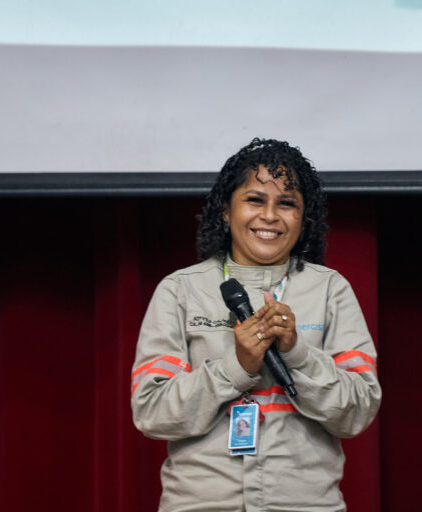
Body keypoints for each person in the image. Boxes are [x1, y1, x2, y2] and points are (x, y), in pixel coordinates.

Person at [130, 138, 381, 511]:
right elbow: (152, 412)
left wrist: (296, 353)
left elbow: (357, 411)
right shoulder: (181, 290)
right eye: (254, 200)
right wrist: (237, 368)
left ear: (302, 218)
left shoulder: (329, 289)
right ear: (226, 212)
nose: (270, 216)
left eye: (287, 203)